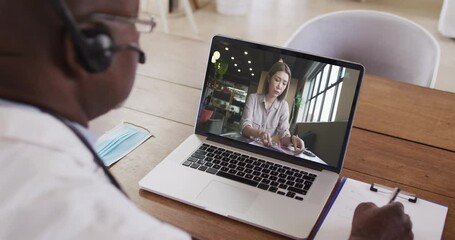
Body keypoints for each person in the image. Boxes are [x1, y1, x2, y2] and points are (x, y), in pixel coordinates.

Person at [0, 0, 413, 239]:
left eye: (287, 83)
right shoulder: (100, 224)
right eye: (137, 23)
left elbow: (283, 131)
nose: (141, 38)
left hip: (274, 161)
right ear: (93, 48)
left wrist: (290, 143)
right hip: (243, 151)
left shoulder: (284, 107)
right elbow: (248, 127)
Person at [240, 61, 305, 154]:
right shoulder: (253, 98)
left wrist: (292, 139)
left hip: (264, 153)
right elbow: (245, 127)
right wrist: (260, 133)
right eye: (277, 80)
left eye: (284, 83)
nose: (279, 86)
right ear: (269, 78)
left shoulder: (283, 107)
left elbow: (283, 136)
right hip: (245, 148)